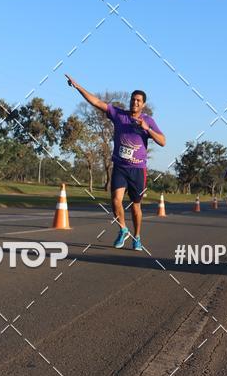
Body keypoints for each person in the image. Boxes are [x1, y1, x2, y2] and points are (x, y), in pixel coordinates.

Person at [65, 76, 166, 250]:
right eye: (133, 99)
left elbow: (163, 141)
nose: (135, 102)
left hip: (138, 170)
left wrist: (147, 129)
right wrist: (78, 87)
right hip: (120, 167)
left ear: (143, 105)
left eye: (138, 101)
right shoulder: (119, 115)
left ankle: (137, 237)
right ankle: (123, 229)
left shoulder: (148, 121)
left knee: (136, 207)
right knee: (115, 200)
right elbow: (96, 102)